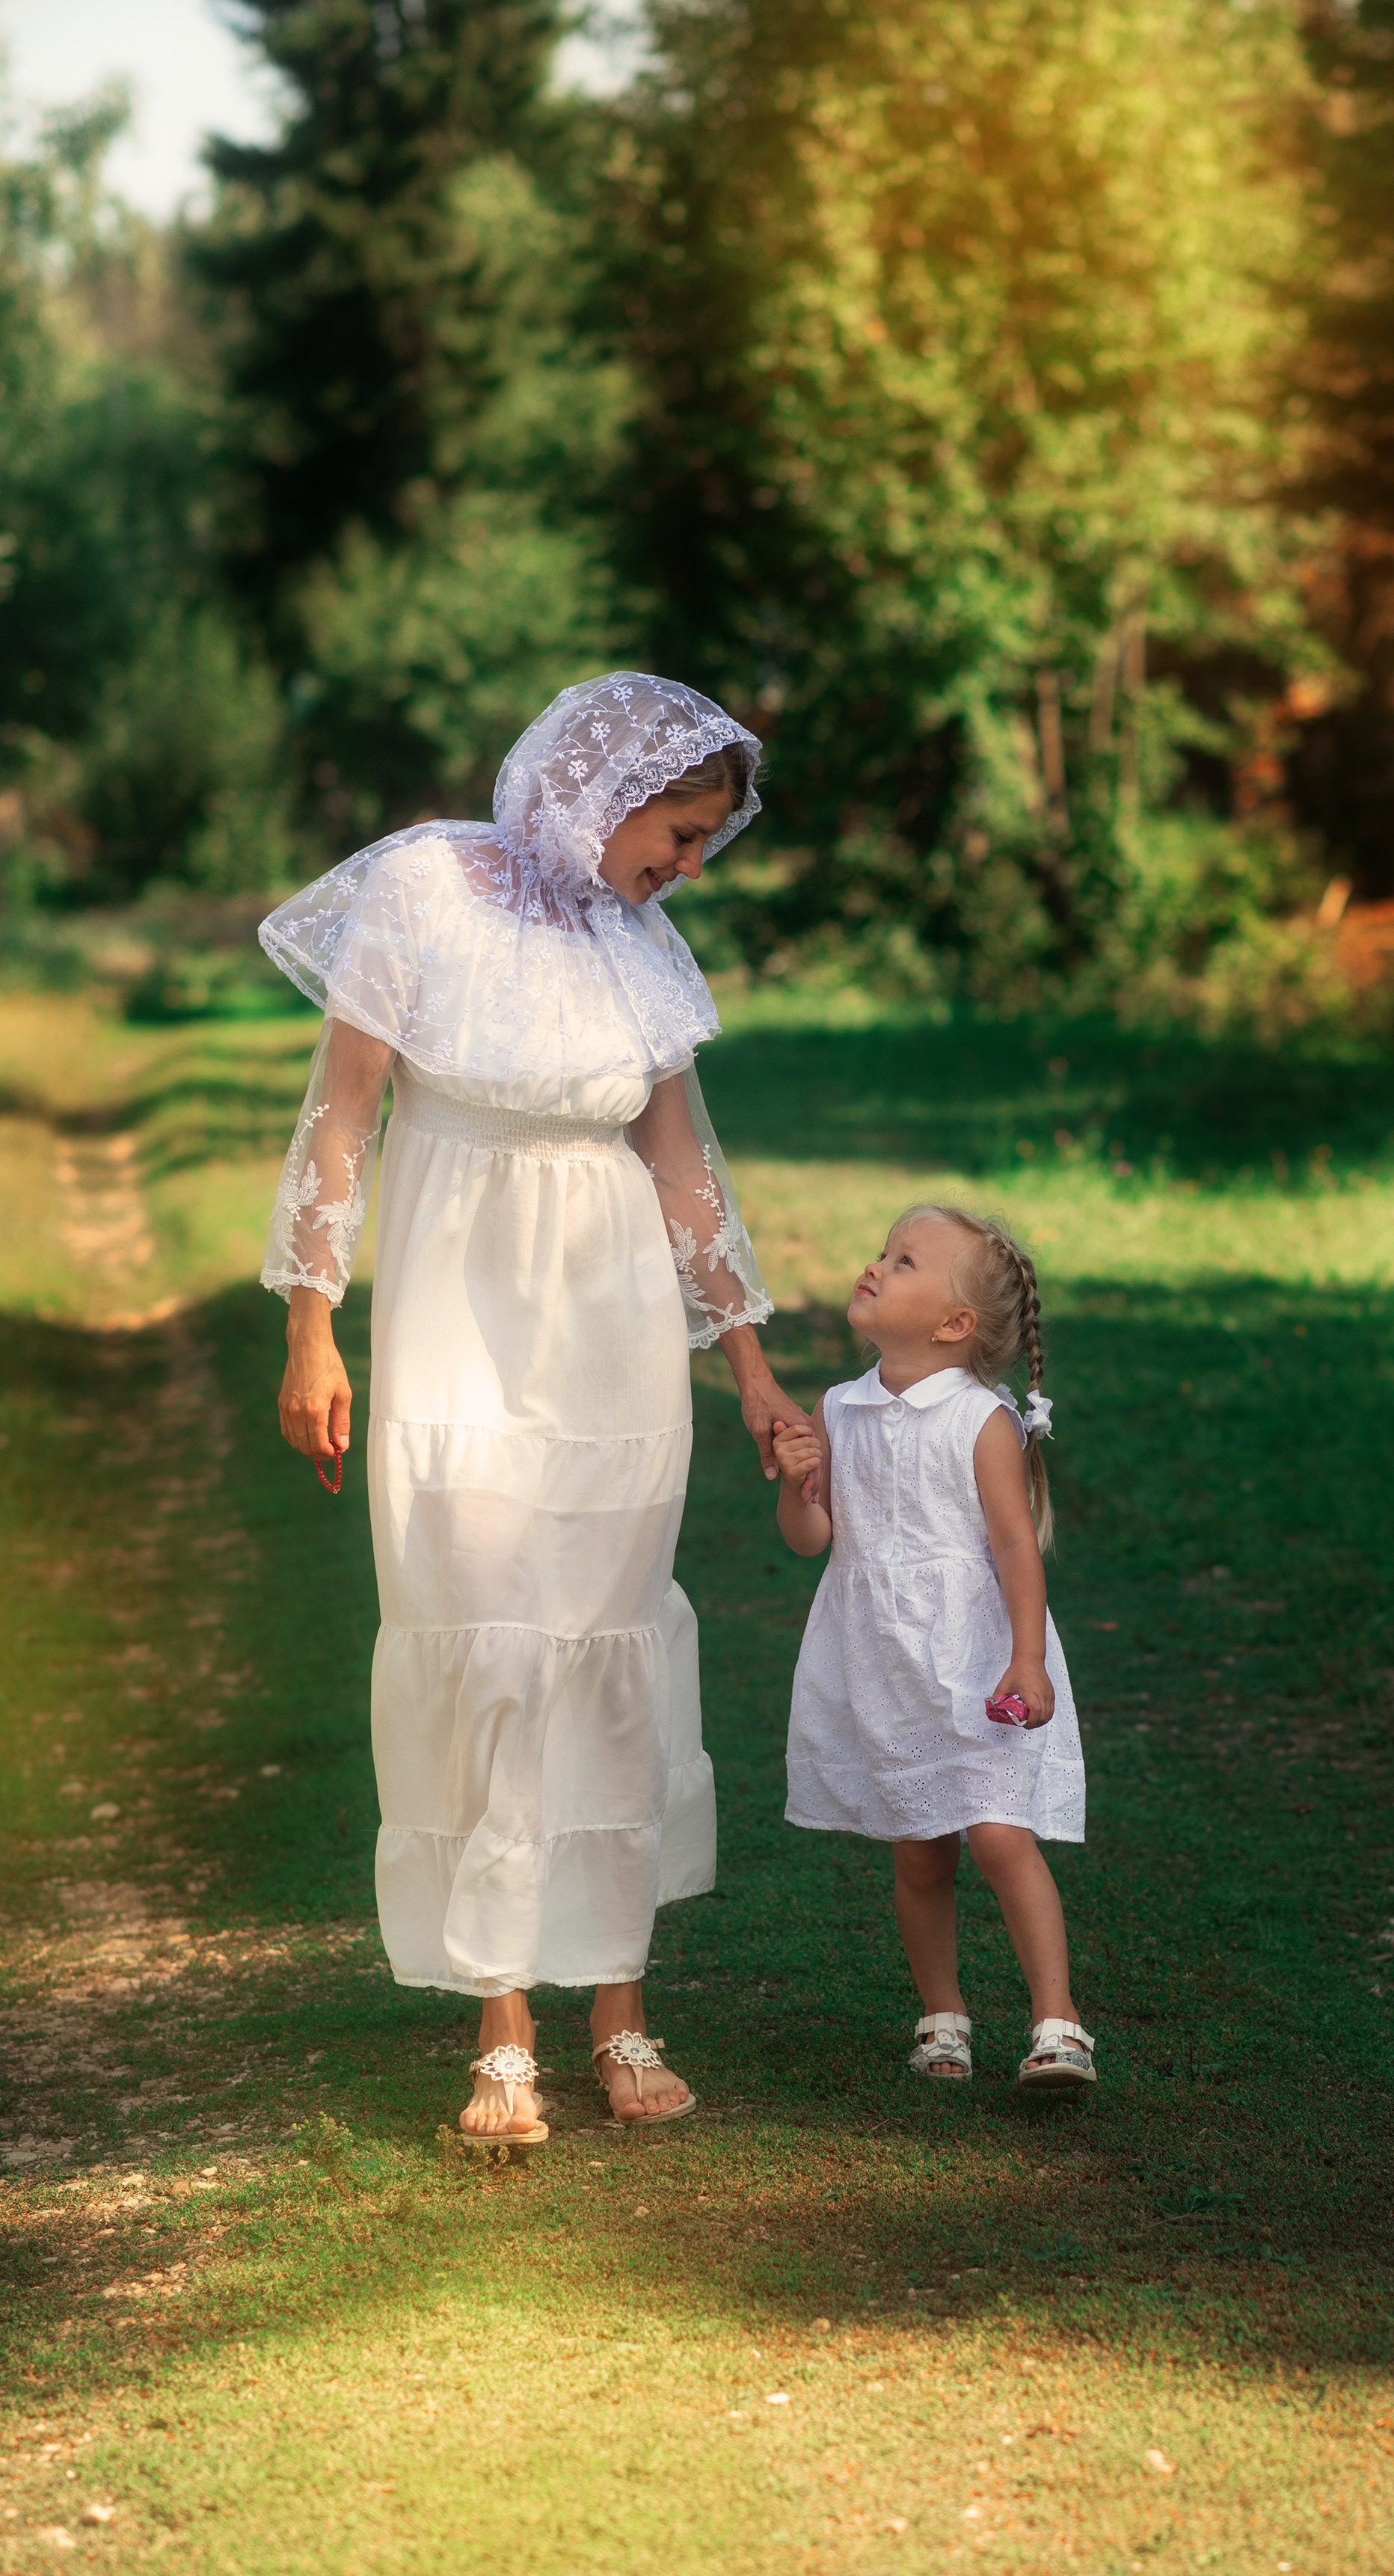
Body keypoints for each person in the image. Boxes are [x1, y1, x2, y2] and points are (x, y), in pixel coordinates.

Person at [261, 674, 809, 2142]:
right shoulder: (426, 890)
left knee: (604, 1637)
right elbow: (341, 1113)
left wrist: (746, 1361)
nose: (688, 863)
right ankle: (503, 2022)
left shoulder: (643, 944)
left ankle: (620, 2009)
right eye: (680, 831)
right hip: (457, 1308)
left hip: (613, 1322)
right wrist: (311, 1324)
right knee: (486, 1626)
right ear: (597, 784)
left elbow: (685, 1167)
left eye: (705, 840)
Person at [771, 1205, 1093, 2088]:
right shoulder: (839, 1407)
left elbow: (1015, 1547)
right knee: (919, 1846)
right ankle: (942, 2016)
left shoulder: (980, 1422)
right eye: (882, 1251)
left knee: (997, 1833)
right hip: (886, 1662)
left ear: (954, 1325)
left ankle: (1057, 2020)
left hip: (977, 1656)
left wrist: (1026, 1657)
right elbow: (811, 1538)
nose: (876, 1266)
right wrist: (803, 1481)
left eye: (903, 1261)